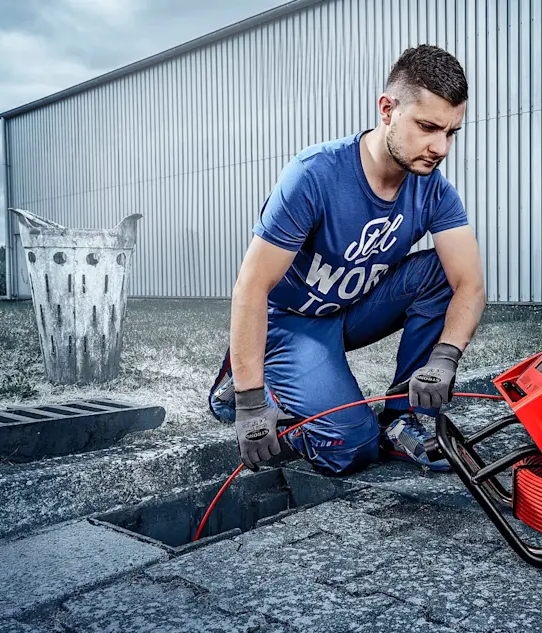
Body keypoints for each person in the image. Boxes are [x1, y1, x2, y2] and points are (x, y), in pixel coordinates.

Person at [207, 45, 485, 476]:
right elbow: (251, 286)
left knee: (441, 273)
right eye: (428, 127)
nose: (441, 147)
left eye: (451, 133)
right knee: (351, 448)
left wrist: (444, 357)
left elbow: (470, 283)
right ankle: (259, 390)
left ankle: (399, 418)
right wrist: (250, 403)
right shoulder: (314, 175)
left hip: (353, 309)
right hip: (292, 322)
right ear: (387, 109)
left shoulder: (433, 190)